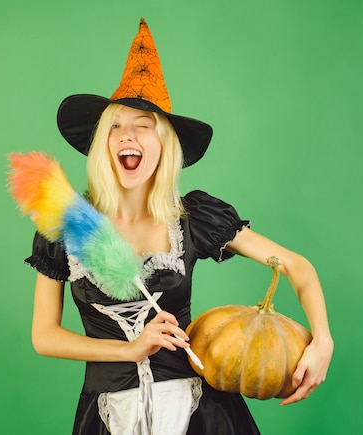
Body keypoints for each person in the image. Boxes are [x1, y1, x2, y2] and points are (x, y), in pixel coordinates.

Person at [24, 18, 333, 434]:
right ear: (102, 143)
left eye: (142, 125)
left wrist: (322, 342)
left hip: (202, 414)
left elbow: (297, 267)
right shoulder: (66, 226)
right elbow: (44, 336)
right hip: (108, 414)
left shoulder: (193, 219)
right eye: (114, 125)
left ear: (164, 145)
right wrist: (131, 350)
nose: (125, 135)